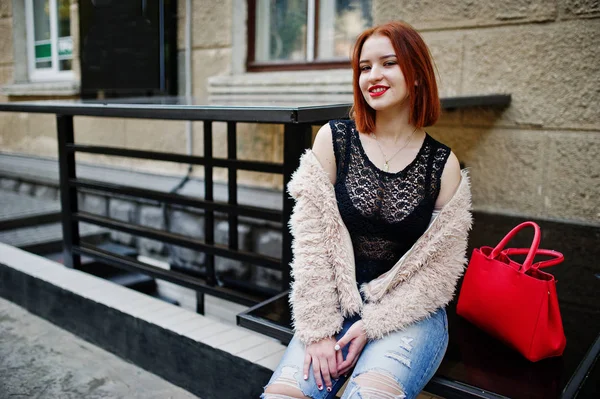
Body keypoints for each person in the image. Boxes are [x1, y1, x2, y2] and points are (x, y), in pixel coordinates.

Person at [262, 20, 472, 399]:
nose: (373, 75)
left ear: (418, 75)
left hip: (408, 315)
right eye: (364, 67)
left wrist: (373, 324)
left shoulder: (443, 164)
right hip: (333, 309)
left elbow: (440, 273)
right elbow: (311, 245)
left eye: (388, 63)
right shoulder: (334, 139)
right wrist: (320, 331)